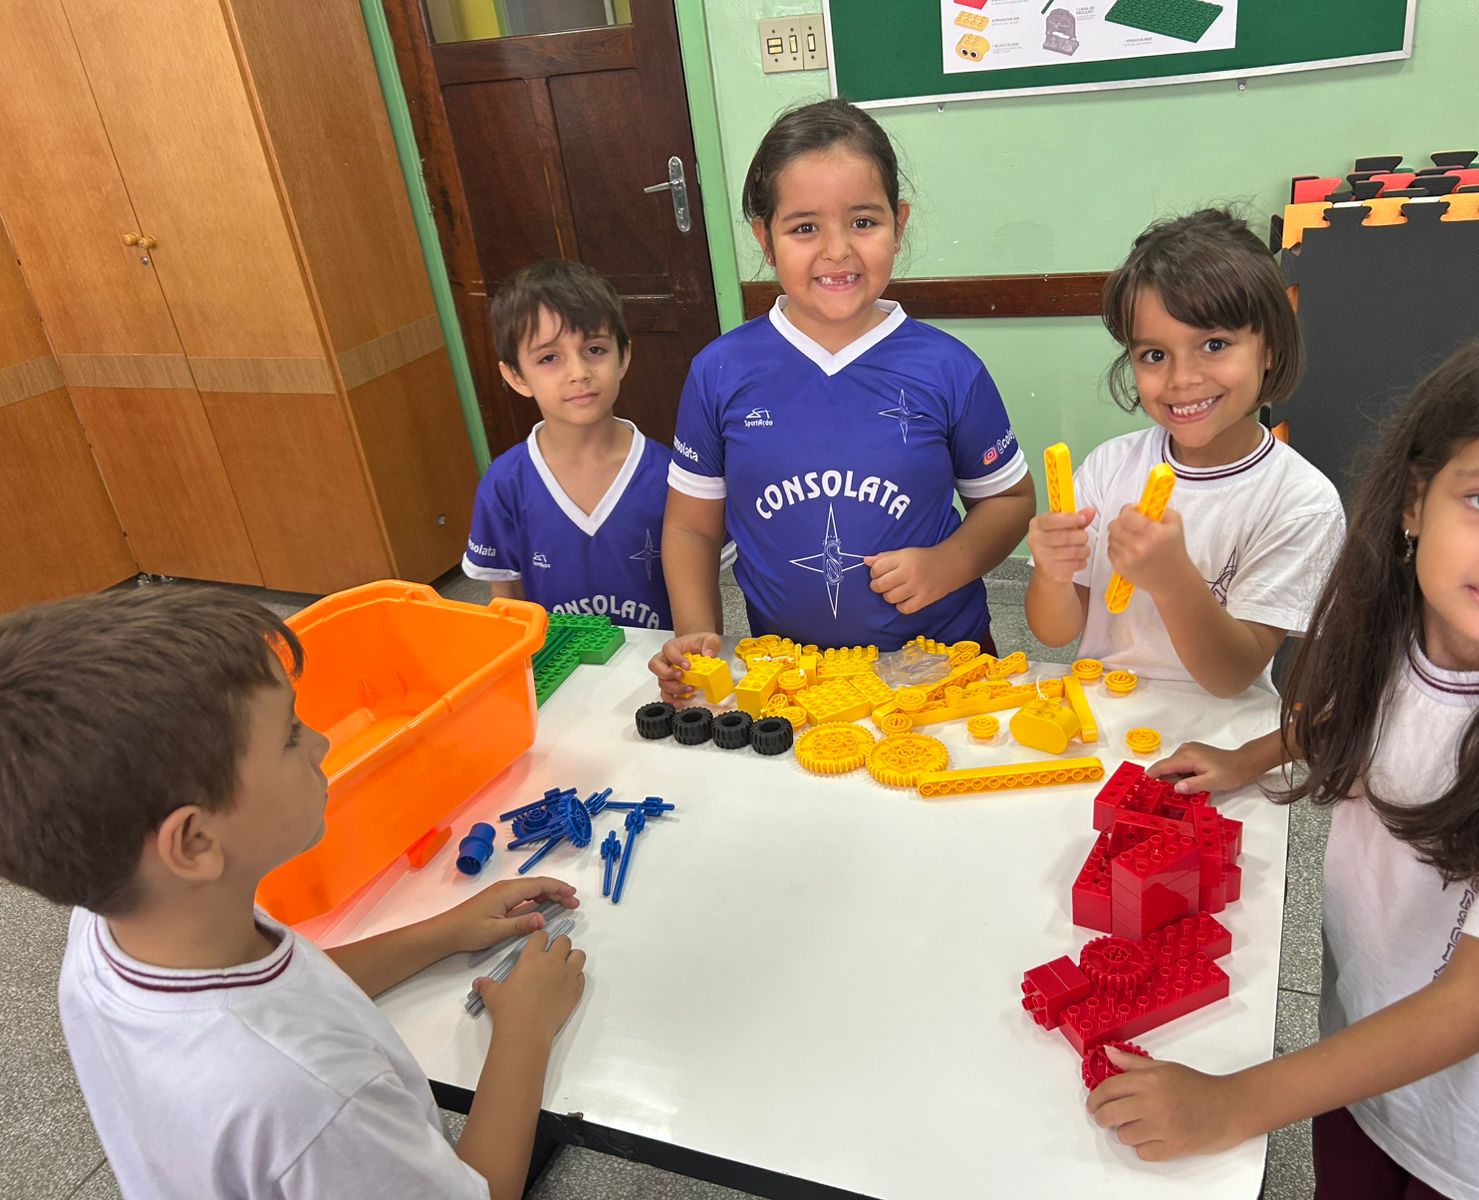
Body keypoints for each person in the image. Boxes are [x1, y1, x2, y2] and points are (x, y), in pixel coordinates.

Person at [1093, 325, 1479, 1200]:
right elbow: (1355, 716)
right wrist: (1251, 755)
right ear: (1415, 502)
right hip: (1358, 1052)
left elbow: (1469, 1009)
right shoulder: (1404, 636)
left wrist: (1234, 1104)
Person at [0, 588, 586, 1200]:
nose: (321, 743)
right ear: (195, 841)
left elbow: (291, 988)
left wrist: (441, 933)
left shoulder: (123, 918)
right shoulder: (313, 1098)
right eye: (289, 735)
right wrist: (524, 1031)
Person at [650, 99, 1034, 698]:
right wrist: (698, 631)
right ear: (765, 238)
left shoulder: (949, 368)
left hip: (941, 668)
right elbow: (691, 528)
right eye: (805, 228)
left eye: (863, 222)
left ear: (898, 224)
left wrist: (950, 563)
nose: (837, 251)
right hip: (791, 678)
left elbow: (1010, 499)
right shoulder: (720, 371)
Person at [1025, 209, 1344, 695]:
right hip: (1106, 707)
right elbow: (1055, 632)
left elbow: (1231, 677)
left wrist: (1173, 579)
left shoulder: (1301, 501)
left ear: (1270, 349)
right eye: (1154, 355)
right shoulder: (1109, 467)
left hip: (1222, 724)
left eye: (1214, 344)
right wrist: (1052, 574)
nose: (1182, 378)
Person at [464, 259, 690, 630]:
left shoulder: (672, 476)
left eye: (595, 350)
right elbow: (507, 611)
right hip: (556, 666)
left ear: (623, 356)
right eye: (549, 357)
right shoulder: (504, 484)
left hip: (660, 666)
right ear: (516, 376)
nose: (579, 373)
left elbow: (698, 607)